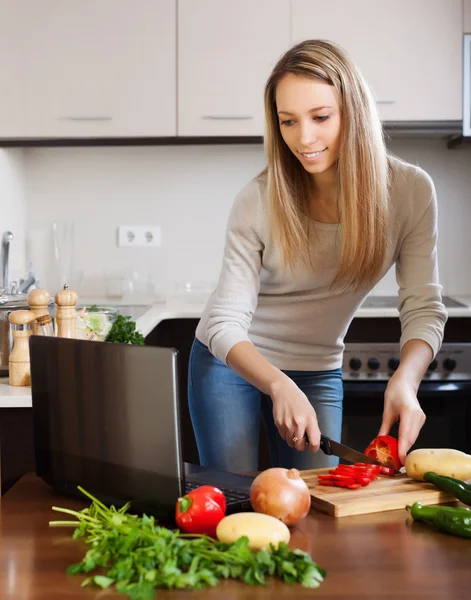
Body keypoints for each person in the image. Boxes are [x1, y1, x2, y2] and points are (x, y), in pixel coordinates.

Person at [187, 39, 447, 473]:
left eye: (321, 117)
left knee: (318, 509)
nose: (303, 139)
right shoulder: (257, 200)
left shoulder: (411, 192)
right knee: (236, 503)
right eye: (288, 122)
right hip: (231, 364)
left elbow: (423, 306)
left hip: (317, 368)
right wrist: (276, 383)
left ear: (354, 111)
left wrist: (406, 379)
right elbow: (223, 322)